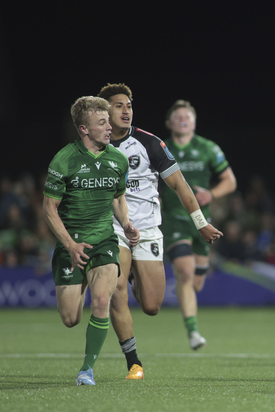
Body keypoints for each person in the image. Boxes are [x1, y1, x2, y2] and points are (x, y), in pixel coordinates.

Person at [98, 84, 224, 379]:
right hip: (113, 228)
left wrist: (201, 222)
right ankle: (134, 362)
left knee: (152, 306)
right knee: (116, 293)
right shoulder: (93, 146)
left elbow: (180, 185)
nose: (126, 110)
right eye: (118, 105)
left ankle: (131, 274)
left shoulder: (150, 144)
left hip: (148, 228)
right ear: (104, 111)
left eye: (129, 105)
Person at [43, 96, 141, 385]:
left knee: (101, 301)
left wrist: (125, 223)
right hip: (70, 244)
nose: (109, 126)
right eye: (102, 123)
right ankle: (80, 280)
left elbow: (118, 196)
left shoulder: (118, 159)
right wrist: (70, 245)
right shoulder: (64, 160)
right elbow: (49, 209)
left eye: (108, 120)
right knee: (71, 318)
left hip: (103, 241)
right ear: (84, 129)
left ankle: (86, 370)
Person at [160, 100, 237, 349]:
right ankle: (193, 333)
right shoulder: (160, 148)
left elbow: (230, 181)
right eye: (178, 116)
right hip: (173, 220)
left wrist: (212, 194)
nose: (183, 119)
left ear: (194, 122)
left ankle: (190, 307)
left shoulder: (207, 148)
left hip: (201, 221)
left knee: (196, 283)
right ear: (169, 122)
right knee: (185, 272)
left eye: (188, 116)